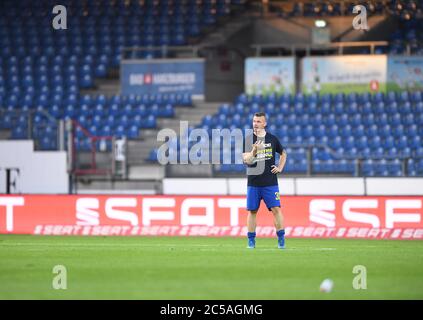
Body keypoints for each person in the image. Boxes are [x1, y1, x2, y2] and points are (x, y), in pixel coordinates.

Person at [242, 112, 287, 249]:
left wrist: (280, 167)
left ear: (265, 123)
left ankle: (281, 239)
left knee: (276, 209)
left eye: (258, 121)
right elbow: (246, 160)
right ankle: (251, 240)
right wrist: (254, 151)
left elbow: (283, 153)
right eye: (254, 121)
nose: (255, 124)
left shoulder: (272, 139)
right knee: (252, 211)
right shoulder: (249, 139)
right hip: (254, 182)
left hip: (270, 182)